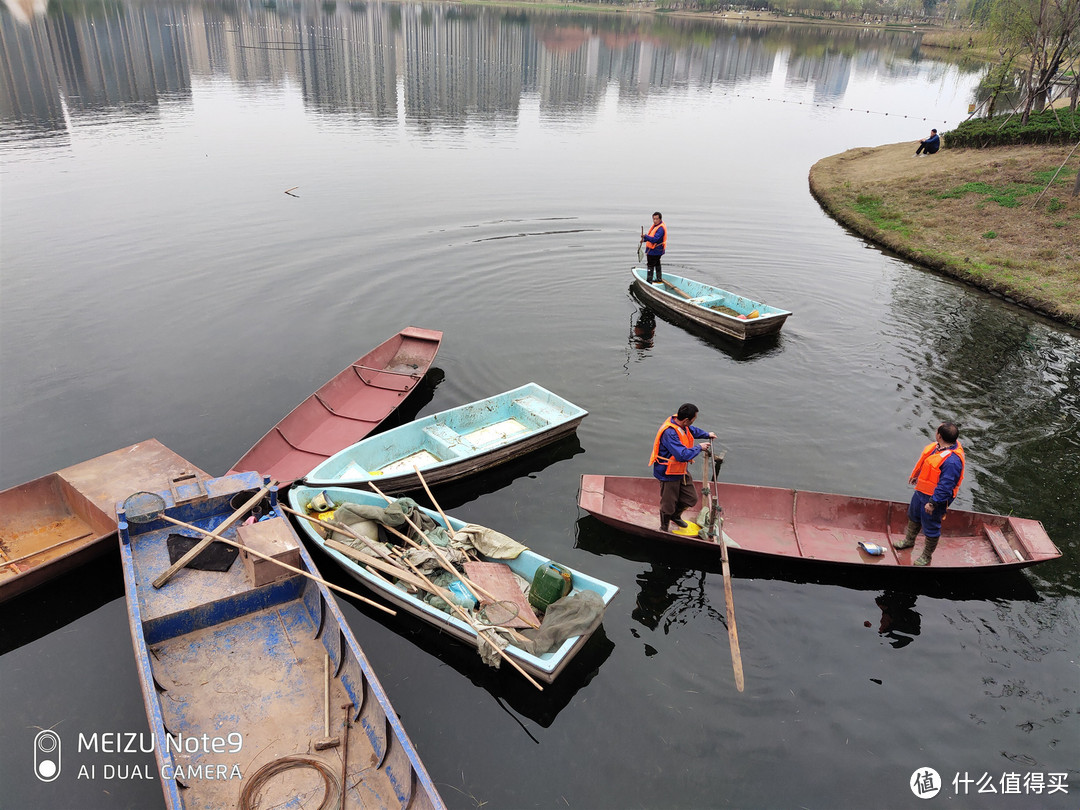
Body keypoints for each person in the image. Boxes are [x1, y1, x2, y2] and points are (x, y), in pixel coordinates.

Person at [892, 422, 965, 566]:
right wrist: (916, 475)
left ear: (939, 436)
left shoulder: (952, 462)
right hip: (921, 492)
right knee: (914, 515)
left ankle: (927, 556)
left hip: (935, 499)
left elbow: (946, 486)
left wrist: (933, 503)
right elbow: (927, 464)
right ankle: (909, 541)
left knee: (931, 526)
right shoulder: (938, 448)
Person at [649, 403, 716, 532]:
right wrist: (699, 447)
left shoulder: (682, 425)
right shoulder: (670, 433)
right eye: (693, 420)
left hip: (680, 470)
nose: (693, 422)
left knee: (691, 498)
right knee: (668, 503)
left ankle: (675, 515)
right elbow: (681, 455)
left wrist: (707, 434)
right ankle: (664, 527)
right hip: (668, 472)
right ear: (686, 420)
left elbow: (692, 430)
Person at [641, 212, 667, 283]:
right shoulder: (656, 226)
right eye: (654, 219)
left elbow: (655, 239)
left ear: (660, 219)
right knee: (657, 263)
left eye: (656, 219)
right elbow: (651, 237)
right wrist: (644, 239)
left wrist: (646, 236)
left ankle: (649, 281)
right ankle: (659, 278)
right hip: (656, 250)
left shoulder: (660, 228)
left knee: (650, 265)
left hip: (655, 250)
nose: (655, 221)